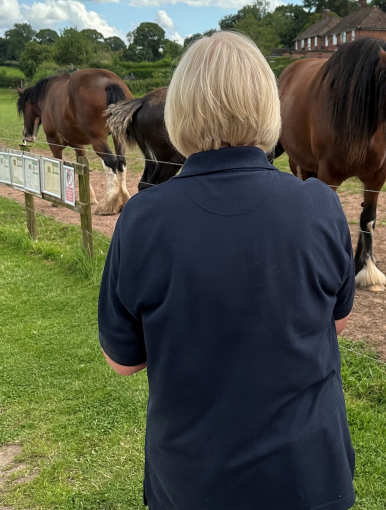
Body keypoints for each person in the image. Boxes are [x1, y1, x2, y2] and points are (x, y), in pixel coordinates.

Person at [97, 31, 356, 510]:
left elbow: (124, 361)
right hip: (309, 477)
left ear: (179, 112)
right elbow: (334, 322)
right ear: (267, 107)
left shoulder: (143, 218)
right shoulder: (319, 204)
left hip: (192, 482)